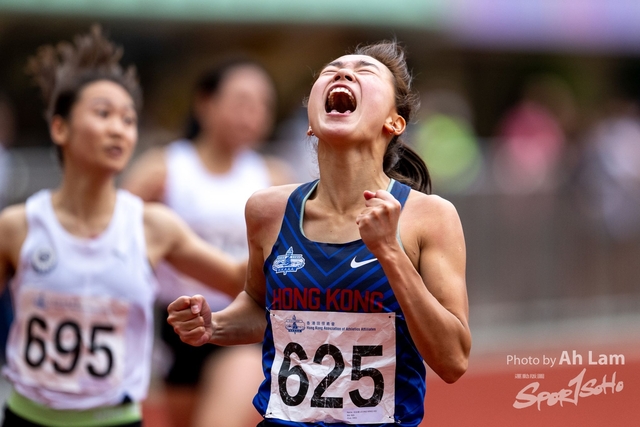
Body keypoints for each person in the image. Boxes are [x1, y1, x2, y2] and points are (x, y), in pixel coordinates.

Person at [168, 40, 471, 426]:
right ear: (311, 122)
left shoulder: (430, 217)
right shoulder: (267, 211)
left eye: (364, 71)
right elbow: (261, 307)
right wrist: (214, 325)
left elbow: (453, 361)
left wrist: (390, 253)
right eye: (332, 70)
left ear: (394, 123)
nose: (343, 73)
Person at [0, 26, 246, 427]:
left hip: (116, 419)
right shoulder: (17, 227)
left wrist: (304, 238)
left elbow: (238, 277)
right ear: (60, 128)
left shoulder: (153, 227)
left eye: (129, 119)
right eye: (103, 114)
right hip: (27, 418)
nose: (119, 128)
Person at [122, 59, 292, 427]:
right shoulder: (163, 169)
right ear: (205, 103)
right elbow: (115, 237)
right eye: (242, 101)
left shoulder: (273, 178)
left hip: (244, 324)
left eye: (263, 105)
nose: (253, 114)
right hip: (179, 324)